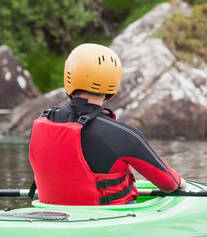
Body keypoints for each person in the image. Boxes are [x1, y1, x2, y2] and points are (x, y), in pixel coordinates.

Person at [29, 43, 184, 205]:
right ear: (112, 84)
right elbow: (169, 184)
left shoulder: (43, 122)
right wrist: (181, 182)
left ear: (69, 77)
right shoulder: (124, 135)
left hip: (50, 213)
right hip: (108, 217)